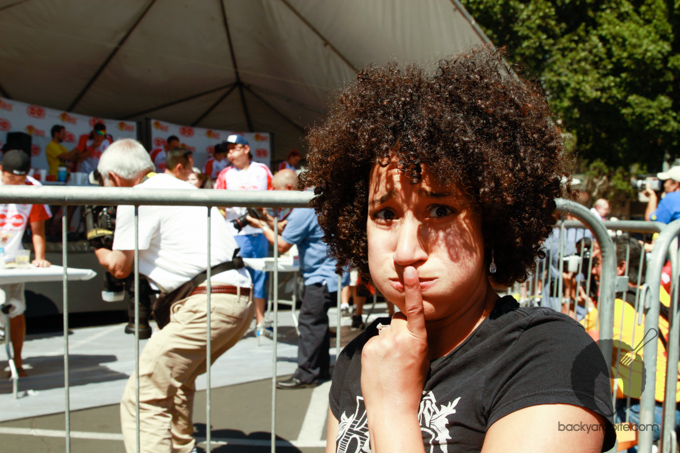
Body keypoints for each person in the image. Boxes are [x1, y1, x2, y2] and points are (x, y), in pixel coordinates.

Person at [300, 47, 616, 451]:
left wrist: (391, 408)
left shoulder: (549, 356)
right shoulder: (361, 357)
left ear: (493, 221)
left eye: (440, 210)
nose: (405, 251)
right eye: (385, 214)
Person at [93, 139, 253, 453]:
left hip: (206, 302)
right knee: (177, 382)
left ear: (112, 178)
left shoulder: (136, 198)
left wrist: (96, 243)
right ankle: (184, 447)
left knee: (143, 395)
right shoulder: (184, 188)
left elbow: (120, 267)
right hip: (237, 298)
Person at [582, 236, 679, 451]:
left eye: (598, 263)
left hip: (643, 410)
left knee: (585, 438)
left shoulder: (614, 307)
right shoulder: (661, 296)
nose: (594, 271)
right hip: (673, 406)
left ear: (620, 267)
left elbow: (576, 346)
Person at [247, 169, 337, 388]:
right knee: (317, 324)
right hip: (328, 274)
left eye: (276, 190)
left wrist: (261, 225)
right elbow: (288, 229)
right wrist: (268, 221)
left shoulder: (303, 209)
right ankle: (320, 370)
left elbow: (281, 243)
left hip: (320, 276)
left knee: (309, 324)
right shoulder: (312, 203)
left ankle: (305, 375)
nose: (274, 195)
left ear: (289, 189)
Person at [215, 133, 273, 338]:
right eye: (228, 149)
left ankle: (261, 324)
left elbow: (273, 198)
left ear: (246, 149)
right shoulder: (224, 174)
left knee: (260, 278)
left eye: (234, 148)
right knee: (237, 279)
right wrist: (235, 201)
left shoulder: (262, 170)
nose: (230, 152)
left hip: (259, 232)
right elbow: (217, 202)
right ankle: (237, 325)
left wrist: (261, 210)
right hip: (235, 233)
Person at [0, 150, 51, 378]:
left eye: (21, 180)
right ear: (2, 171)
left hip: (12, 262)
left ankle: (17, 362)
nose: (17, 184)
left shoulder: (33, 189)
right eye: (12, 180)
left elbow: (37, 229)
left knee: (15, 310)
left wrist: (39, 256)